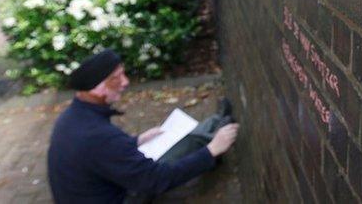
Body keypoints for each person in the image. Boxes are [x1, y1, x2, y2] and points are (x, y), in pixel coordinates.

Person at [47, 49, 239, 203]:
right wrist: (211, 151)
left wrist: (136, 141)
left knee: (162, 145)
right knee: (167, 160)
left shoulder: (72, 117)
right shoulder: (100, 136)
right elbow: (155, 180)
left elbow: (97, 156)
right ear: (98, 87)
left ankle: (213, 126)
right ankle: (213, 138)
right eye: (117, 77)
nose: (125, 82)